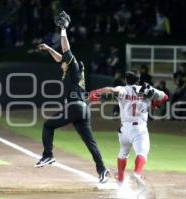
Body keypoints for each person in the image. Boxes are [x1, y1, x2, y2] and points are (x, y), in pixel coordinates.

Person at [35, 11, 110, 184]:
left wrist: (63, 29)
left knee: (48, 125)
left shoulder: (74, 66)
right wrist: (48, 49)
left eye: (64, 62)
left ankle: (48, 156)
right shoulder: (74, 70)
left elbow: (66, 50)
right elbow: (61, 57)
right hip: (83, 110)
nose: (61, 63)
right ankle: (103, 170)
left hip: (75, 106)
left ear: (70, 63)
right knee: (90, 143)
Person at [90, 71, 168, 187]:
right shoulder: (147, 89)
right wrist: (155, 103)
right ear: (138, 80)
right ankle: (137, 173)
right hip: (139, 129)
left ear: (126, 80)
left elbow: (111, 89)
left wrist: (96, 91)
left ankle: (120, 182)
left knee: (122, 154)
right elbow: (165, 97)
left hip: (124, 129)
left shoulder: (123, 89)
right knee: (142, 153)